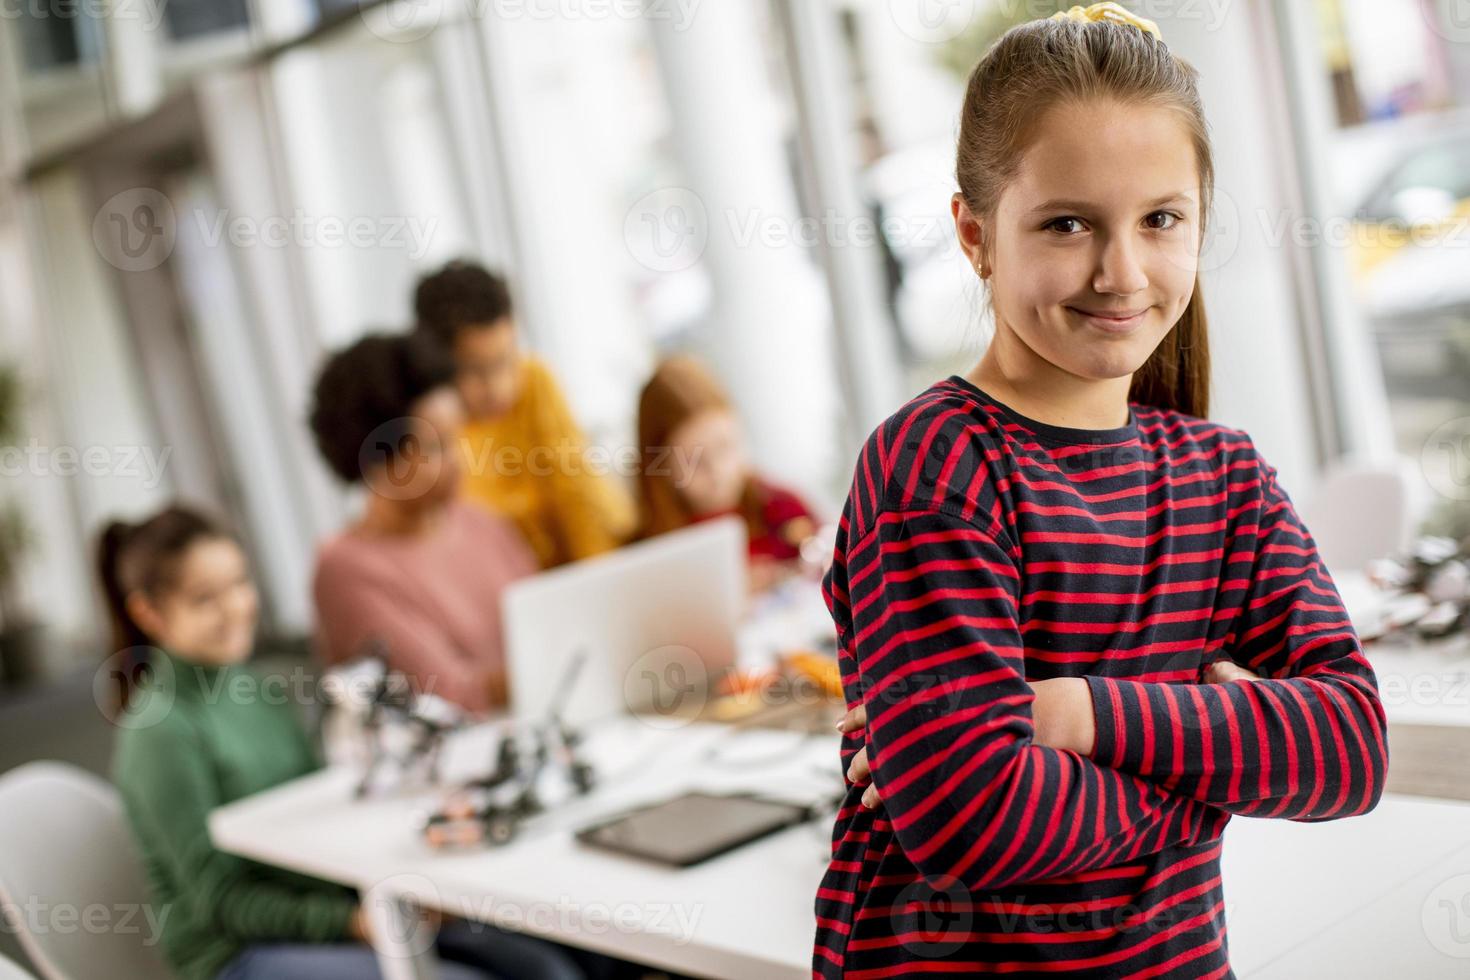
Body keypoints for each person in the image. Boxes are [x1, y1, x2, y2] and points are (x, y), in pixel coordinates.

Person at [813, 5, 1389, 977]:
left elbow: (1351, 743)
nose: (1121, 272)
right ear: (974, 232)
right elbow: (977, 818)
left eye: (1160, 219)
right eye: (1068, 223)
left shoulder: (1224, 475)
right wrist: (1226, 771)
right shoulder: (935, 465)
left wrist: (1082, 715)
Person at [101, 504, 586, 980]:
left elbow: (318, 824)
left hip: (333, 912)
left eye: (239, 584)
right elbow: (221, 902)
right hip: (239, 953)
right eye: (205, 598)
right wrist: (353, 922)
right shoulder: (159, 733)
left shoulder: (260, 690)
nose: (236, 607)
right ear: (148, 612)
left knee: (546, 965)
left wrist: (394, 895)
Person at [309, 331, 537, 714]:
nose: (459, 459)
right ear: (381, 460)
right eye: (436, 446)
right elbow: (446, 697)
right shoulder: (345, 572)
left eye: (456, 437)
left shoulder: (482, 524)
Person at [414, 260, 636, 568]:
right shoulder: (435, 430)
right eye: (475, 371)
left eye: (506, 360)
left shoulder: (535, 380)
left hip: (587, 565)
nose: (498, 387)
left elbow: (576, 493)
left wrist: (602, 576)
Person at [634, 355, 820, 593]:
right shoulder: (649, 557)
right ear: (659, 468)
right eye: (694, 461)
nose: (719, 473)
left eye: (726, 446)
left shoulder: (783, 507)